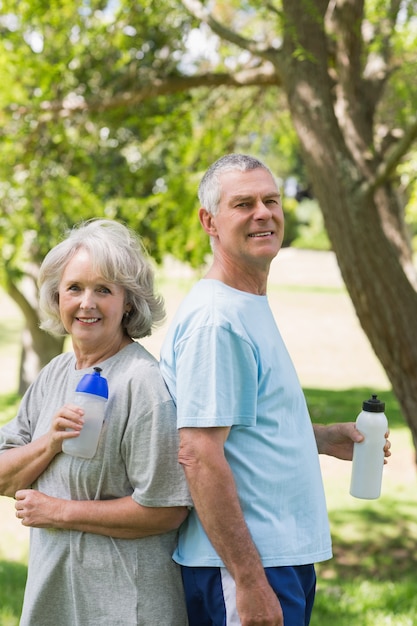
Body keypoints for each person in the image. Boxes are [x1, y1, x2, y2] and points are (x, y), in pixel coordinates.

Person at [159, 154, 391, 626]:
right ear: (209, 221)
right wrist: (248, 579)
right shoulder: (216, 321)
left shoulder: (245, 302)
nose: (263, 213)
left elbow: (243, 426)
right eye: (243, 204)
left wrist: (323, 438)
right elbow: (199, 454)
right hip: (246, 565)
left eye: (271, 200)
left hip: (278, 558)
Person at [0, 219, 191, 626]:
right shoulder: (55, 372)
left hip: (125, 608)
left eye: (103, 289)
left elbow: (167, 509)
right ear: (56, 298)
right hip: (56, 601)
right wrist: (48, 442)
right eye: (74, 288)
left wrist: (60, 511)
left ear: (129, 302)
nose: (87, 303)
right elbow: (3, 477)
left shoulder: (143, 384)